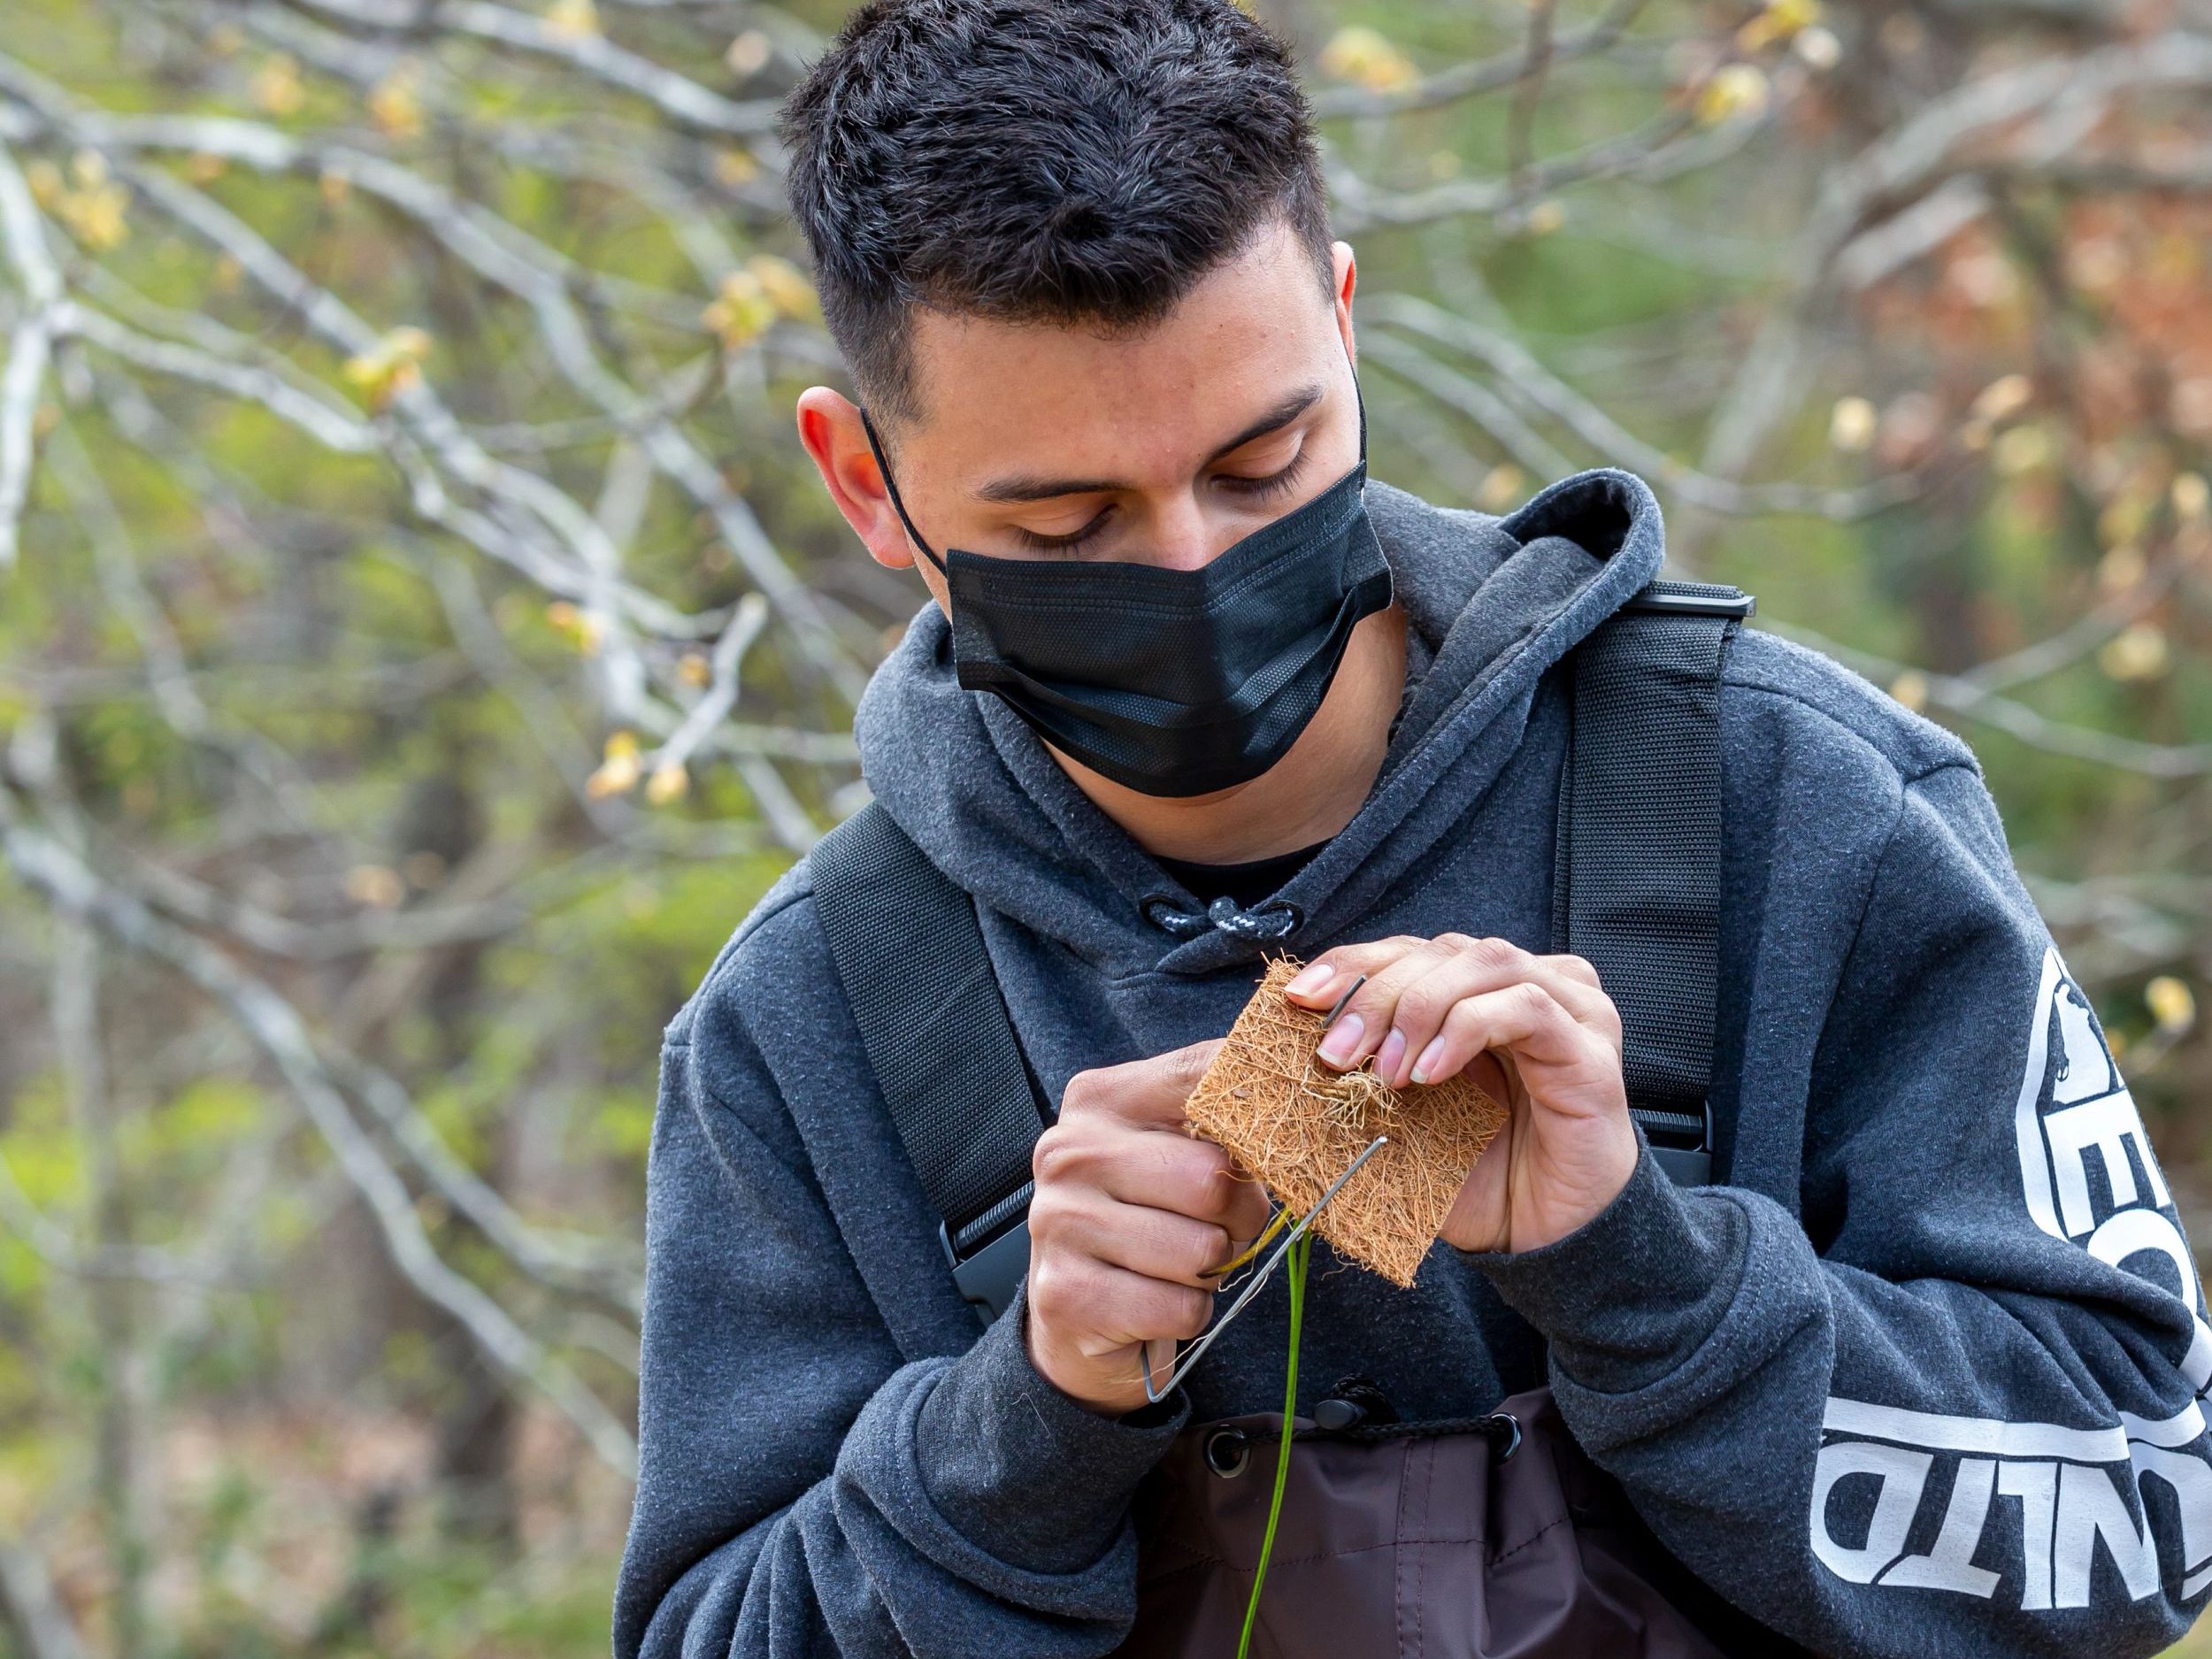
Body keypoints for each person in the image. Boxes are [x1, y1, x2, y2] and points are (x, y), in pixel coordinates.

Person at [612, 2, 2212, 1654]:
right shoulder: (809, 1026)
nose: (1190, 570)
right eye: (1067, 519)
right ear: (867, 484)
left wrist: (1647, 1280)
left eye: (1264, 459)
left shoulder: (1800, 808)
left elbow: (2151, 1510)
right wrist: (1024, 1425)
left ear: (1346, 322)